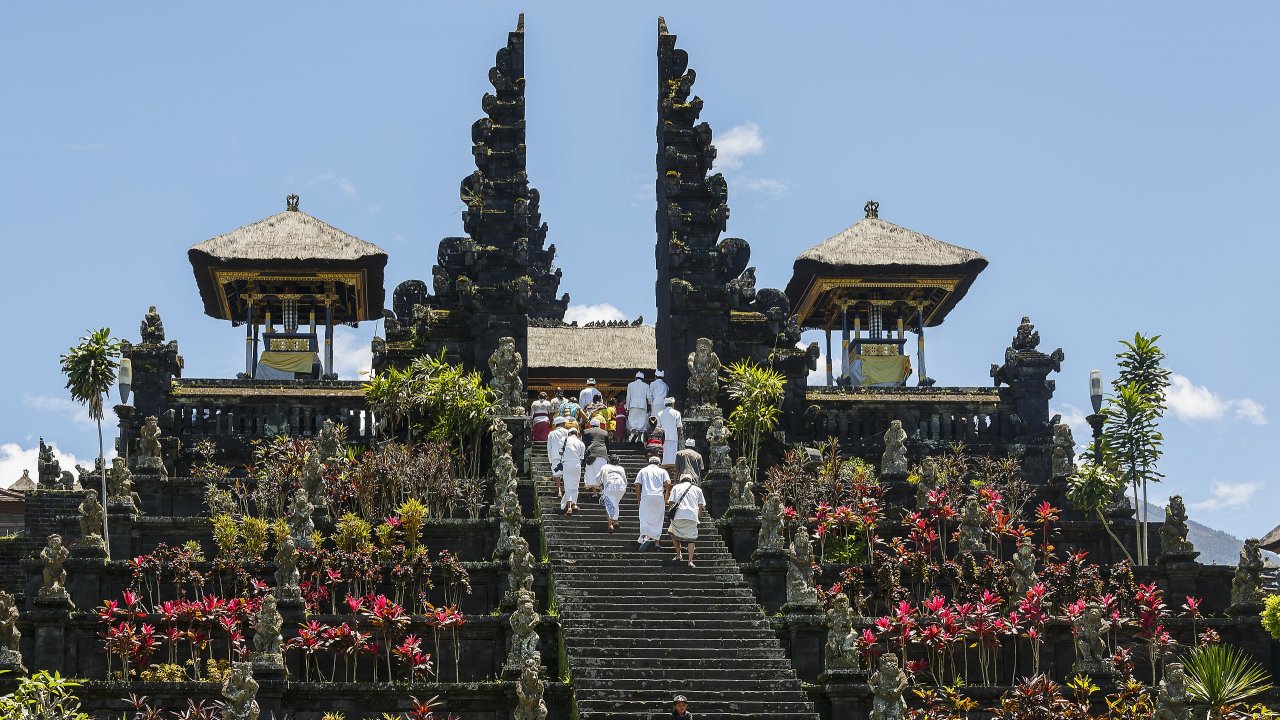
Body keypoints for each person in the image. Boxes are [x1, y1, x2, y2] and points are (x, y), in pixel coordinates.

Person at [667, 473, 706, 568]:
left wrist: (672, 513)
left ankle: (678, 554)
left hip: (678, 515)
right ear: (691, 480)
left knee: (672, 532)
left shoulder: (676, 487)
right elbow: (701, 506)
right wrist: (698, 517)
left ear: (681, 480)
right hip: (692, 516)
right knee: (691, 539)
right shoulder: (698, 489)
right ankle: (690, 561)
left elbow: (671, 502)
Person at [634, 456, 670, 548]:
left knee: (644, 517)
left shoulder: (643, 470)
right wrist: (666, 497)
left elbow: (637, 485)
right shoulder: (663, 471)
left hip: (646, 496)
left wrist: (638, 499)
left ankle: (645, 537)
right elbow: (668, 483)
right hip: (659, 496)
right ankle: (656, 542)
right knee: (658, 519)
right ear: (659, 463)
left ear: (649, 462)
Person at [558, 427, 586, 515]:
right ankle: (574, 504)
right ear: (577, 434)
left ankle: (569, 506)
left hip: (567, 464)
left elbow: (560, 452)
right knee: (575, 485)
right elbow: (582, 457)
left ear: (569, 433)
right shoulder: (581, 443)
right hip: (577, 464)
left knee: (568, 485)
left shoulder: (563, 440)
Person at [600, 455, 628, 534]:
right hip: (621, 486)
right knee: (615, 503)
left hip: (610, 486)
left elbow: (598, 478)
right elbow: (625, 479)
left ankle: (610, 525)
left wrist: (599, 485)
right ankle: (616, 521)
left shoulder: (605, 467)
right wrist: (625, 488)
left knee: (609, 505)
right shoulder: (621, 468)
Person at [582, 418, 610, 497]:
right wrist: (607, 454)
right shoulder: (604, 432)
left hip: (591, 454)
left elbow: (584, 444)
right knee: (602, 474)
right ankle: (601, 491)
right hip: (602, 454)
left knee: (591, 474)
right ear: (599, 425)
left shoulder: (586, 432)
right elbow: (607, 445)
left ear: (590, 425)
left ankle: (594, 493)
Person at [655, 397, 683, 466]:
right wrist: (678, 437)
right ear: (673, 404)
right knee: (673, 456)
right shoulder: (677, 413)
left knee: (664, 455)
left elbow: (658, 428)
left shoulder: (660, 413)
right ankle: (672, 468)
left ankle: (664, 467)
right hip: (673, 438)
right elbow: (679, 427)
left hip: (663, 438)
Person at [625, 371, 650, 441]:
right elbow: (649, 397)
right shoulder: (646, 385)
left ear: (635, 378)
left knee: (632, 422)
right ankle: (639, 437)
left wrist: (627, 408)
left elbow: (628, 397)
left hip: (633, 405)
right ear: (643, 379)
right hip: (643, 406)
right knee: (641, 422)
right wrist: (650, 405)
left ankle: (633, 434)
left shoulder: (630, 385)